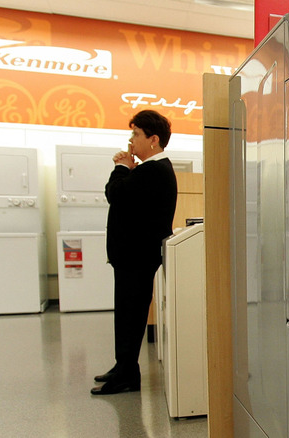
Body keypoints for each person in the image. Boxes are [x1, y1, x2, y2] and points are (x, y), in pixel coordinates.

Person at [91, 110, 178, 395]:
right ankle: (123, 366)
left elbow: (114, 195)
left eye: (136, 135)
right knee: (127, 314)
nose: (131, 141)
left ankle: (127, 374)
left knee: (131, 314)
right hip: (132, 257)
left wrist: (121, 167)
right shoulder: (150, 169)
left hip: (136, 258)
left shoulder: (154, 170)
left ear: (153, 139)